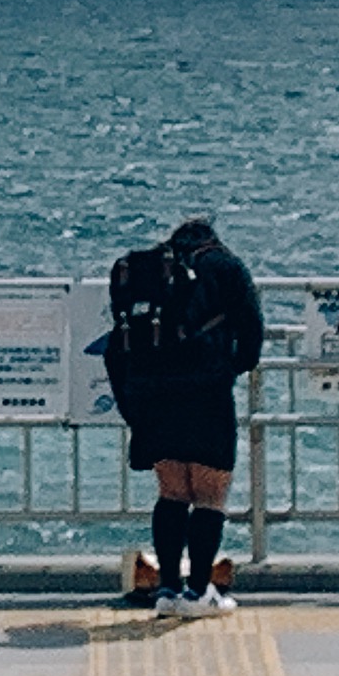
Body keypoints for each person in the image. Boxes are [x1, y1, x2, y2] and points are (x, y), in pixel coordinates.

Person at [103, 215, 264, 617]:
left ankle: (168, 590)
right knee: (210, 493)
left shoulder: (151, 269)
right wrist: (230, 367)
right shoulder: (227, 266)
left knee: (172, 491)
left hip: (153, 395)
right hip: (206, 391)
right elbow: (252, 333)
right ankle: (199, 593)